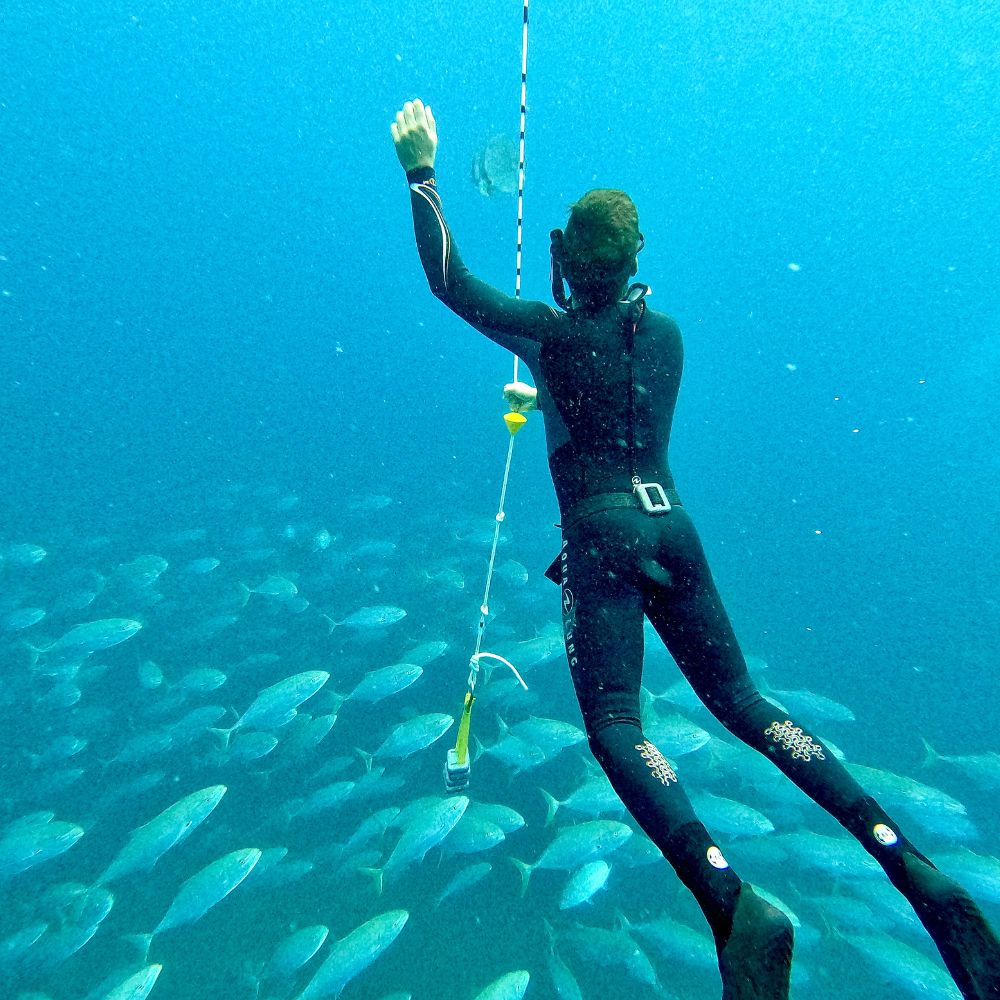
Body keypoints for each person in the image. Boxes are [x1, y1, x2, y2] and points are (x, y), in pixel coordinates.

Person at [391, 98, 1000, 1000]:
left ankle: (731, 900)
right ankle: (909, 863)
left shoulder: (552, 335)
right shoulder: (665, 336)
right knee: (745, 702)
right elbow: (600, 377)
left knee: (616, 728)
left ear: (563, 260)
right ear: (636, 264)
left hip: (600, 535)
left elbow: (450, 282)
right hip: (672, 523)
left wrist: (421, 170)